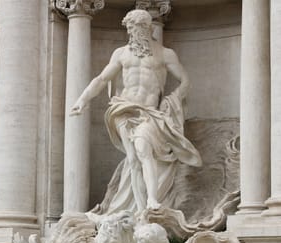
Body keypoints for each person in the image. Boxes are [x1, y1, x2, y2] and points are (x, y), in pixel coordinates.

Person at [71, 9, 201, 213]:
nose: (133, 33)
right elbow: (102, 79)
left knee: (143, 148)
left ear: (148, 28)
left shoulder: (165, 54)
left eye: (138, 28)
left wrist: (173, 98)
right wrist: (82, 99)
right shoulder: (121, 53)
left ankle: (152, 200)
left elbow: (185, 81)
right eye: (130, 29)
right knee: (132, 159)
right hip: (123, 109)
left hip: (149, 112)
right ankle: (140, 209)